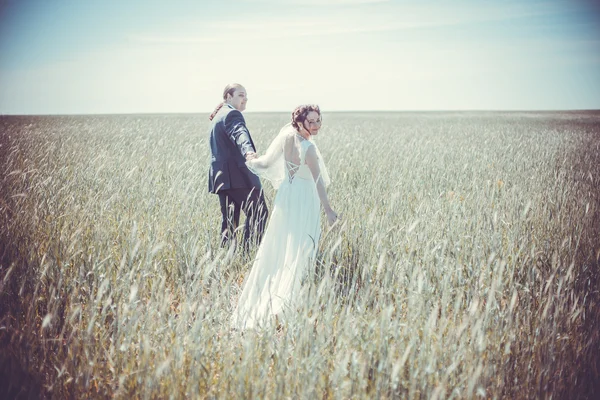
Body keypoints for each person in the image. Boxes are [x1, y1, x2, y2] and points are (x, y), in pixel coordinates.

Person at [232, 104, 339, 330]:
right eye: (311, 122)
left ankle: (278, 293)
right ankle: (288, 300)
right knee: (301, 246)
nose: (316, 126)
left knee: (280, 245)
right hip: (304, 199)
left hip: (286, 196)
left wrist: (251, 159)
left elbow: (265, 163)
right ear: (299, 122)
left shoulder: (286, 137)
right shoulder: (308, 148)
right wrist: (328, 210)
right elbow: (318, 182)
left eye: (319, 120)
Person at [208, 83, 268, 251]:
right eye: (241, 95)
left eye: (246, 96)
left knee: (229, 222)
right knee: (259, 213)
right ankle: (249, 255)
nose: (245, 99)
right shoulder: (232, 114)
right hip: (238, 178)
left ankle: (227, 258)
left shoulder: (219, 115)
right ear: (228, 96)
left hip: (222, 179)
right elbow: (239, 132)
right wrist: (248, 152)